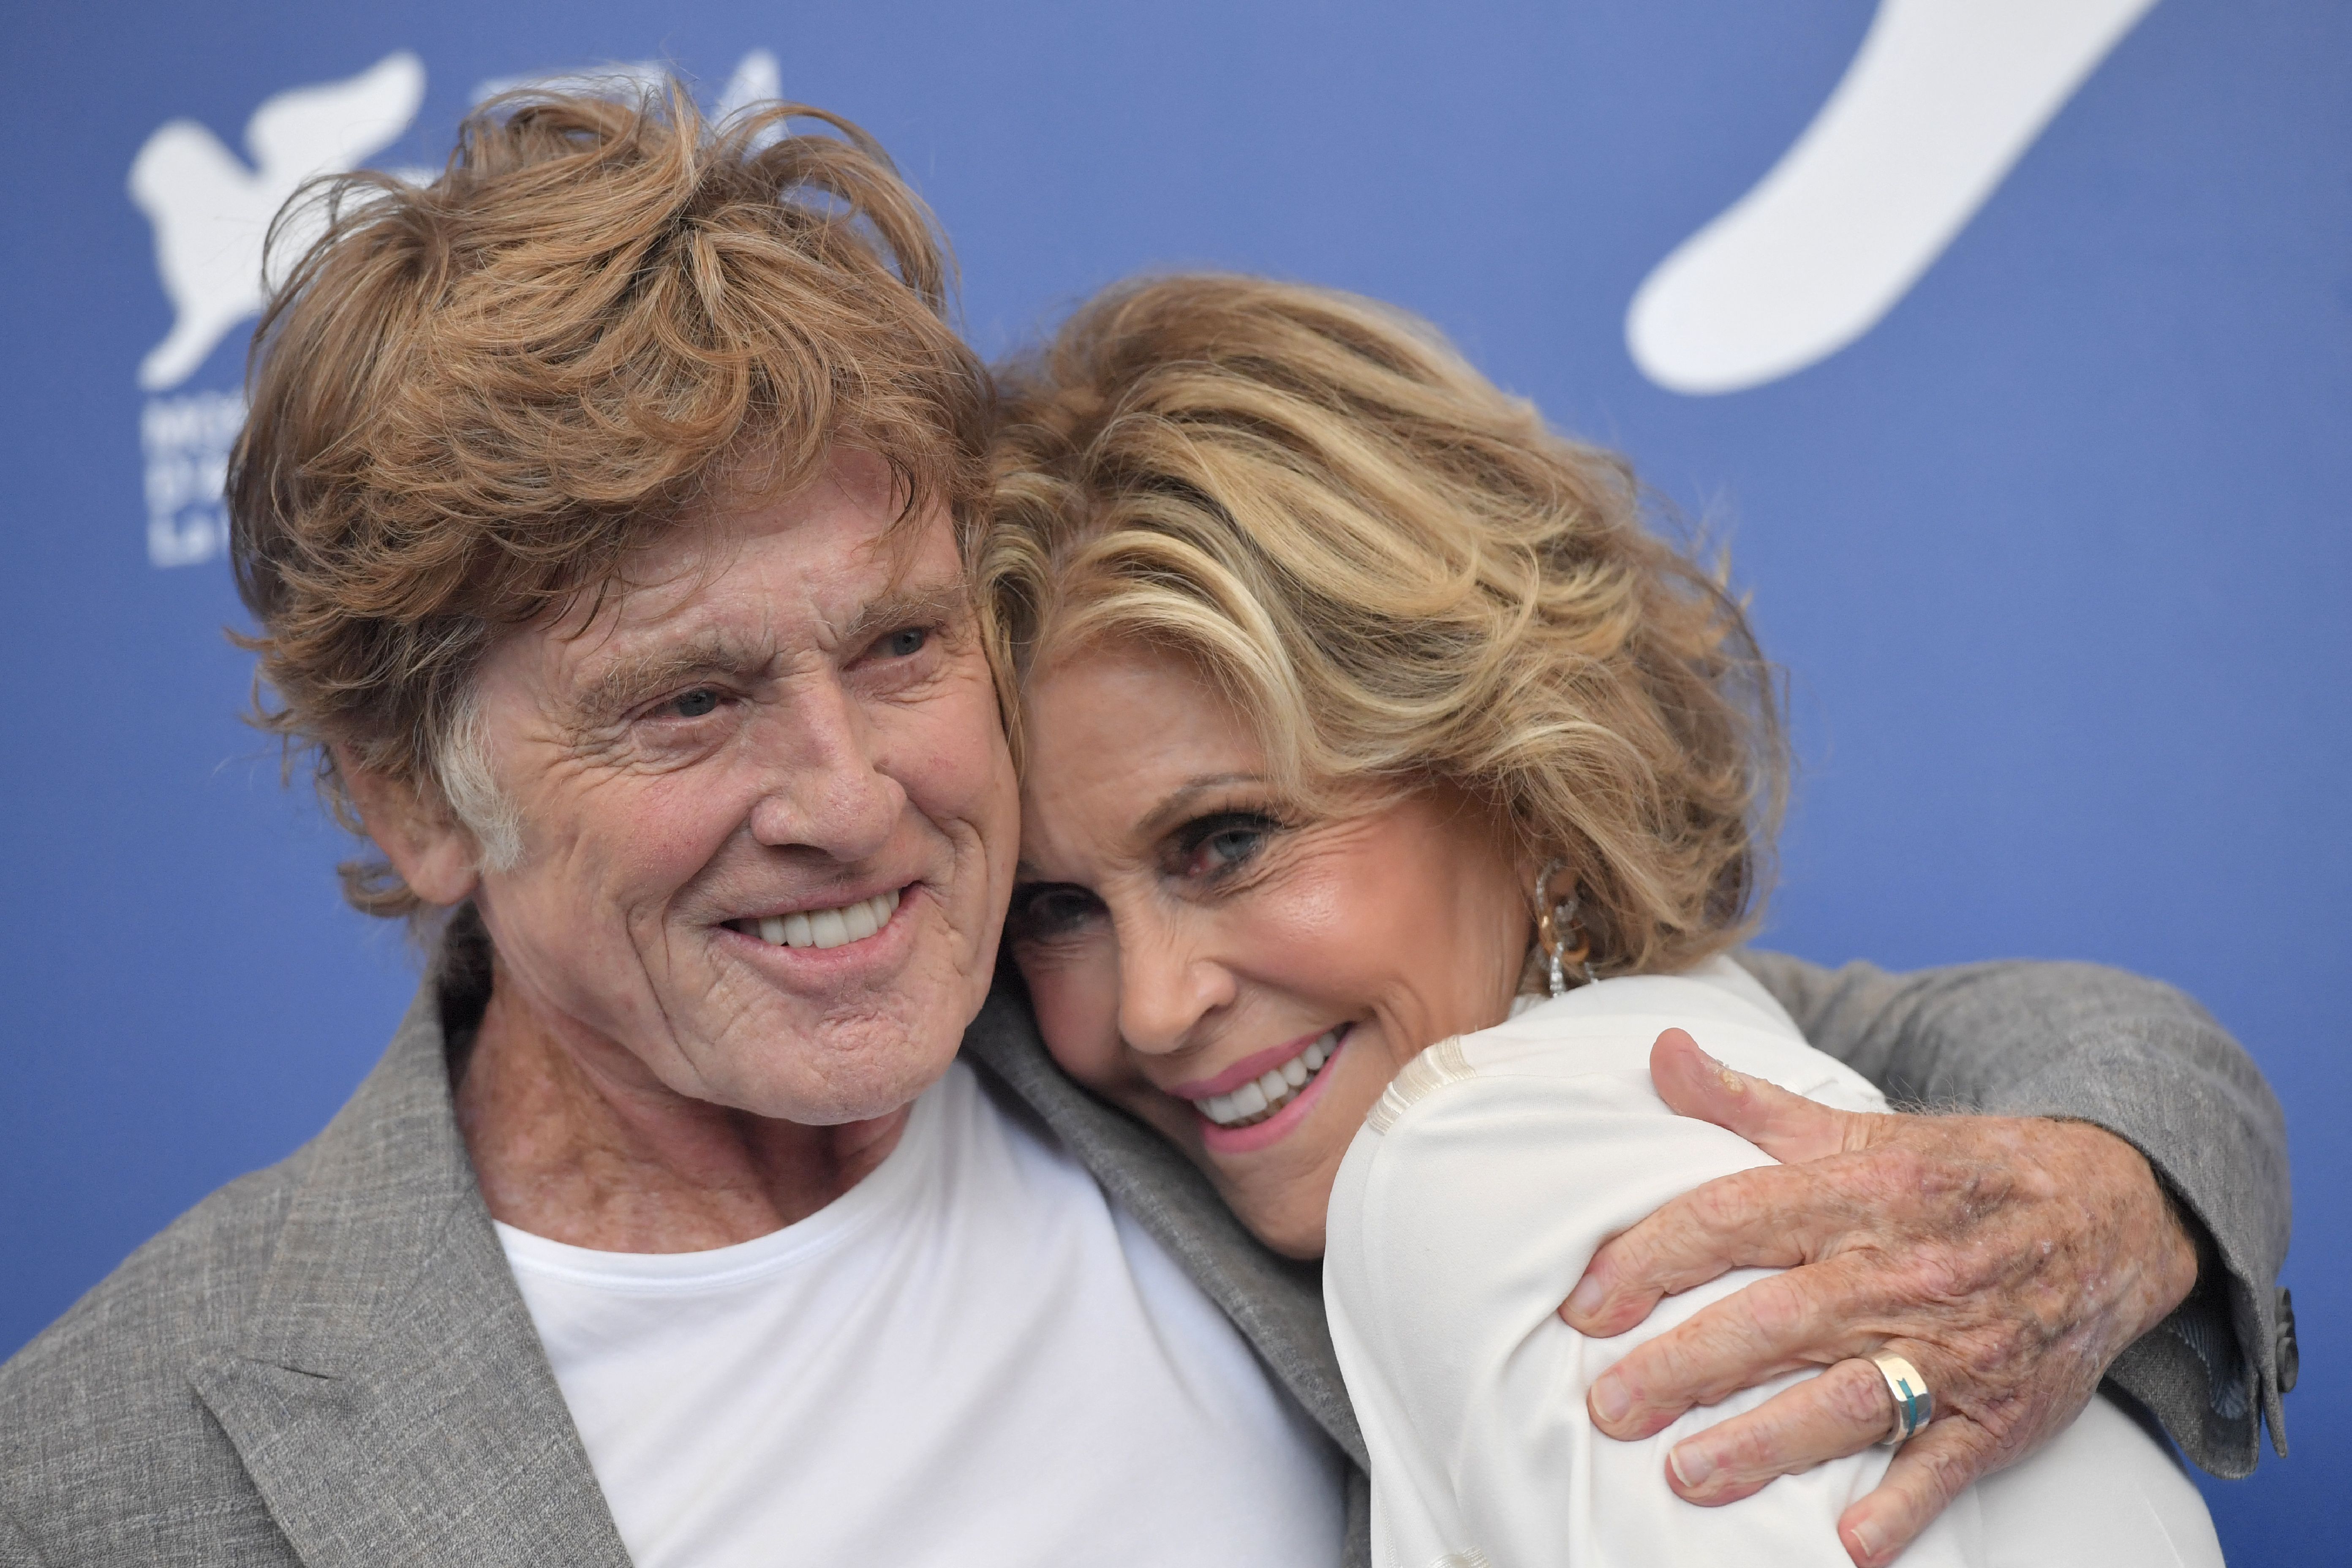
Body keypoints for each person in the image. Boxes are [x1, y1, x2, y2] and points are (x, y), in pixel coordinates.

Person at [0, 87, 2284, 1568]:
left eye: (898, 650)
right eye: (689, 702)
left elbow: (1956, 1034)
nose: (851, 797)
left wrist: (2112, 1203)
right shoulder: (119, 1470)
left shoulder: (1170, 1047)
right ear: (415, 793)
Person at [983, 273, 2266, 1564]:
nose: (1152, 1005)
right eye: (1054, 909)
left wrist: (2115, 1203)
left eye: (1229, 842)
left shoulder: (1510, 1148)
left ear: (1515, 774)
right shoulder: (954, 1066)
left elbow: (2110, 1049)